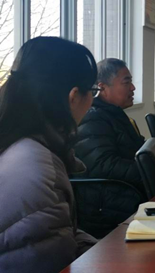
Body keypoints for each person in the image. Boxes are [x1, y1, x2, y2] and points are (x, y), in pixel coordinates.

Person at [0, 37, 98, 273]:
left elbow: (60, 235)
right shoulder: (38, 170)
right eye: (93, 91)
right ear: (73, 96)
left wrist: (102, 250)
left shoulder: (18, 143)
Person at [73, 58, 146, 238]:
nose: (133, 88)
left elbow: (139, 150)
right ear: (102, 87)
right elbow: (103, 165)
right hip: (106, 205)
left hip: (123, 191)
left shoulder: (115, 114)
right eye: (126, 82)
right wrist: (149, 170)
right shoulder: (93, 118)